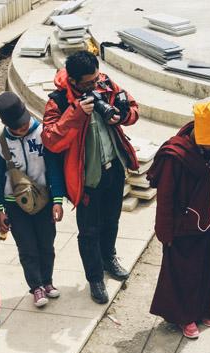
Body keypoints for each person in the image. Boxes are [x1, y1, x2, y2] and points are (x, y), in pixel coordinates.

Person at [41, 50, 140, 304]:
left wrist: (123, 115)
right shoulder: (59, 101)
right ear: (73, 81)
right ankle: (95, 278)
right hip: (86, 178)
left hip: (114, 168)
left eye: (96, 79)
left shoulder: (105, 83)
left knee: (112, 220)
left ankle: (109, 258)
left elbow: (133, 108)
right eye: (88, 83)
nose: (94, 86)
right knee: (88, 231)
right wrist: (76, 113)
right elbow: (50, 140)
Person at [148, 97, 210, 339]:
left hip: (205, 222)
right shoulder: (176, 154)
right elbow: (166, 197)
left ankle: (205, 310)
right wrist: (165, 232)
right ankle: (185, 317)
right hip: (181, 225)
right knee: (184, 273)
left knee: (206, 267)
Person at [0, 92, 66, 308]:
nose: (22, 128)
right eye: (16, 127)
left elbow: (54, 167)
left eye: (23, 124)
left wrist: (58, 200)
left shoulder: (43, 133)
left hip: (44, 201)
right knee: (27, 247)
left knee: (46, 244)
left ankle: (48, 281)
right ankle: (36, 286)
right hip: (15, 205)